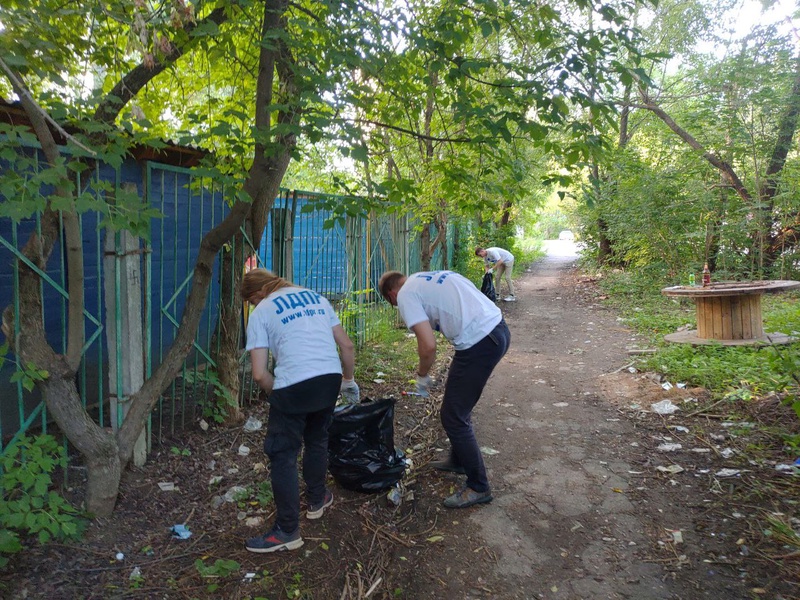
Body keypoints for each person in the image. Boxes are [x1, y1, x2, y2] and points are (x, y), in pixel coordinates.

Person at [241, 269, 359, 553]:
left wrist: (277, 392)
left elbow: (259, 374)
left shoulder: (261, 312)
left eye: (252, 301)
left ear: (257, 294)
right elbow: (347, 344)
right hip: (329, 378)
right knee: (317, 438)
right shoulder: (316, 298)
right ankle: (317, 500)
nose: (254, 306)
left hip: (294, 382)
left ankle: (287, 530)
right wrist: (348, 380)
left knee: (283, 454)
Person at [378, 269, 510, 508]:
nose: (397, 308)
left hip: (478, 343)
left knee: (453, 416)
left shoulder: (406, 295)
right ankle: (458, 460)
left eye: (392, 304)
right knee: (458, 405)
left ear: (392, 293)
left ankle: (478, 486)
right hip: (497, 330)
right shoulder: (423, 278)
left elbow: (428, 346)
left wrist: (422, 376)